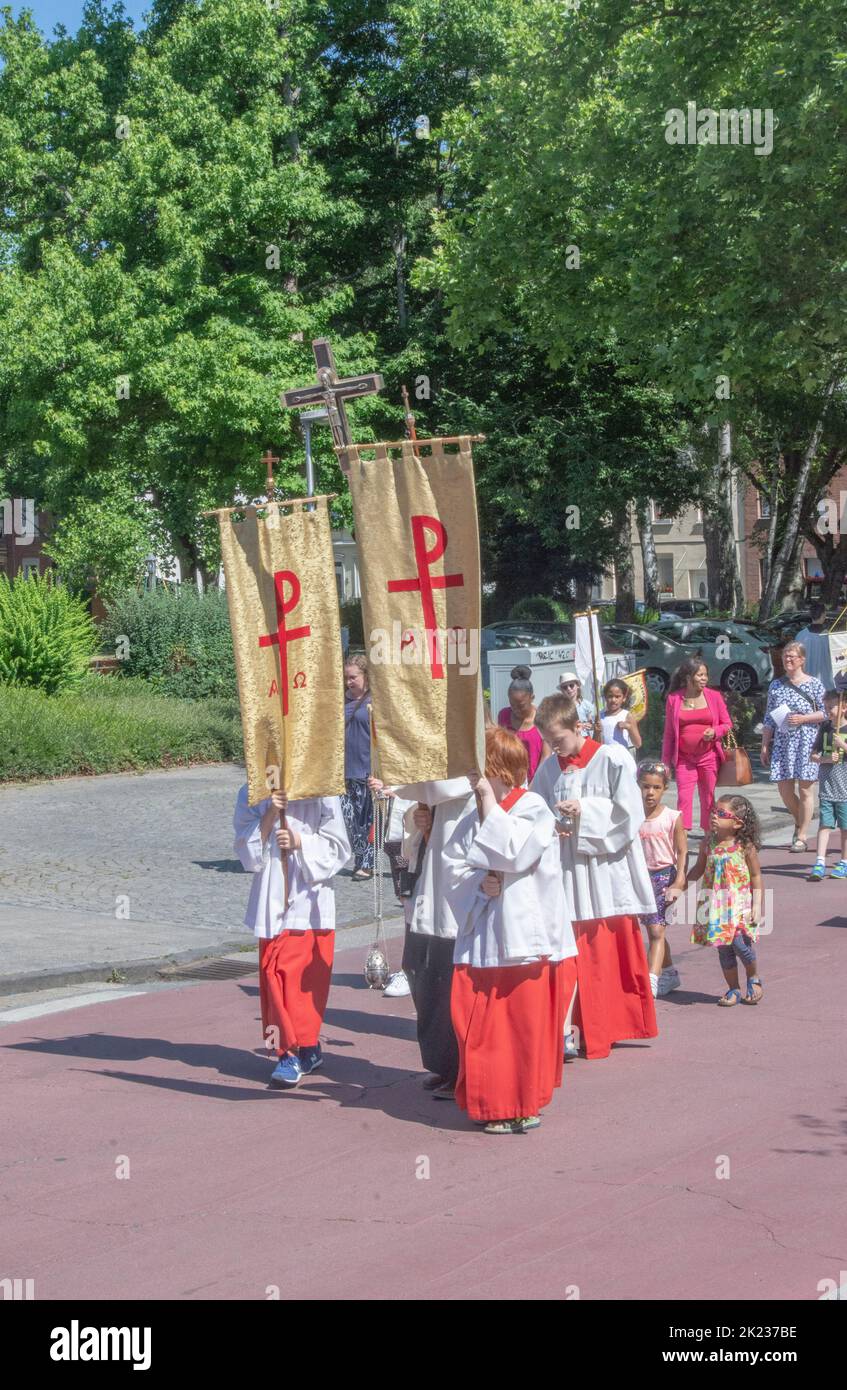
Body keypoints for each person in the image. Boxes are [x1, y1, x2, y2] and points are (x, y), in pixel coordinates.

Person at [445, 728, 579, 1134]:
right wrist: (478, 886)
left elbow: (516, 853)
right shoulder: (471, 817)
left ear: (497, 769)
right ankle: (490, 1103)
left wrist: (488, 801)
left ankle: (522, 1102)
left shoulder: (533, 807)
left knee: (522, 1026)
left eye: (481, 773)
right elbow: (452, 866)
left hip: (524, 940)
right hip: (483, 935)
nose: (475, 782)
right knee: (482, 1025)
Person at [532, 692, 658, 1061]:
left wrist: (585, 810)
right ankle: (574, 1028)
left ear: (579, 726)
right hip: (569, 868)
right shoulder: (548, 769)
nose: (555, 748)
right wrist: (553, 823)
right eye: (549, 743)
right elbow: (536, 810)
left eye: (560, 739)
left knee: (605, 947)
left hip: (605, 869)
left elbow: (629, 814)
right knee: (571, 944)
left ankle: (610, 1024)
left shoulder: (611, 757)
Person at [233, 784, 351, 1087]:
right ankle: (288, 1052)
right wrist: (271, 813)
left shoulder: (324, 788)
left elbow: (339, 846)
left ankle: (307, 1045)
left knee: (305, 981)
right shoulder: (253, 788)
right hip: (273, 895)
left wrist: (301, 841)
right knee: (275, 974)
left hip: (310, 897)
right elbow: (246, 849)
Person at [379, 774, 476, 1097]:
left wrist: (400, 778)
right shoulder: (434, 788)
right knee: (419, 970)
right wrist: (423, 823)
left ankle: (461, 1067)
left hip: (455, 899)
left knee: (448, 981)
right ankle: (443, 1063)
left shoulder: (472, 782)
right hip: (428, 887)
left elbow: (439, 788)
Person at [686, 794, 764, 1006]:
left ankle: (753, 976)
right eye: (713, 811)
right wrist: (681, 884)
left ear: (737, 822)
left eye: (721, 813)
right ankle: (733, 988)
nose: (714, 816)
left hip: (739, 906)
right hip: (715, 907)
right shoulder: (708, 843)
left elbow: (756, 876)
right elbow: (698, 869)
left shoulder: (744, 846)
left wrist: (757, 906)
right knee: (724, 949)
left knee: (740, 944)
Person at [761, 642, 826, 851]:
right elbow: (769, 717)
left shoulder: (814, 684)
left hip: (807, 741)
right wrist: (764, 745)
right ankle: (800, 821)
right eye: (785, 656)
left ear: (802, 659)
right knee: (784, 791)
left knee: (806, 790)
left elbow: (827, 713)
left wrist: (804, 718)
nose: (788, 660)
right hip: (783, 743)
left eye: (792, 656)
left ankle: (803, 835)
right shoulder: (776, 685)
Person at [661, 657, 732, 833]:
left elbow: (727, 724)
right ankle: (681, 837)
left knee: (708, 797)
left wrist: (715, 731)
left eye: (705, 675)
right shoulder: (674, 699)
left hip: (709, 757)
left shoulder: (714, 696)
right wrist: (665, 763)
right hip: (684, 759)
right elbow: (669, 733)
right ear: (688, 677)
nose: (704, 678)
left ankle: (709, 835)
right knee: (683, 798)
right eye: (699, 675)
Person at [636, 759, 687, 997]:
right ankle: (669, 972)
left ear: (665, 788)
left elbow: (682, 850)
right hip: (639, 878)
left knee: (656, 930)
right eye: (645, 786)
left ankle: (651, 981)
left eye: (656, 787)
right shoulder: (633, 816)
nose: (650, 792)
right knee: (652, 930)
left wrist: (679, 881)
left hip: (664, 876)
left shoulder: (672, 816)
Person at [807, 690, 847, 880]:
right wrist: (825, 758)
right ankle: (820, 861)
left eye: (831, 706)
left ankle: (844, 862)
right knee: (825, 824)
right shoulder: (824, 727)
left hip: (845, 790)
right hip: (827, 787)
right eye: (825, 706)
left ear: (844, 707)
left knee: (845, 827)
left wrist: (844, 745)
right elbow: (813, 755)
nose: (827, 710)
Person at [341, 654, 374, 880]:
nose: (348, 682)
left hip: (368, 770)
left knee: (370, 820)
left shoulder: (375, 701)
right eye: (346, 678)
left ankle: (367, 864)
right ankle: (359, 857)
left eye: (353, 677)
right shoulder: (340, 701)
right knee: (349, 820)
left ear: (365, 676)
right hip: (345, 771)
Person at [497, 665, 550, 781]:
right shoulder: (504, 716)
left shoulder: (543, 718)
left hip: (537, 780)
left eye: (521, 706)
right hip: (510, 780)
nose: (516, 709)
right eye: (512, 704)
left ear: (532, 698)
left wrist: (535, 783)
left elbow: (546, 756)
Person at [795, 602, 834, 690]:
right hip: (826, 686)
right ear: (824, 614)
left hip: (805, 684)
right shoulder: (829, 637)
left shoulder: (800, 635)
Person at [599, 678, 642, 753]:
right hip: (605, 758)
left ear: (624, 698)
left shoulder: (627, 715)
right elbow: (595, 743)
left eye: (617, 696)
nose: (613, 700)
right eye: (610, 696)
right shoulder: (600, 716)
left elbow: (638, 744)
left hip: (621, 758)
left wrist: (629, 727)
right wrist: (596, 730)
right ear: (605, 697)